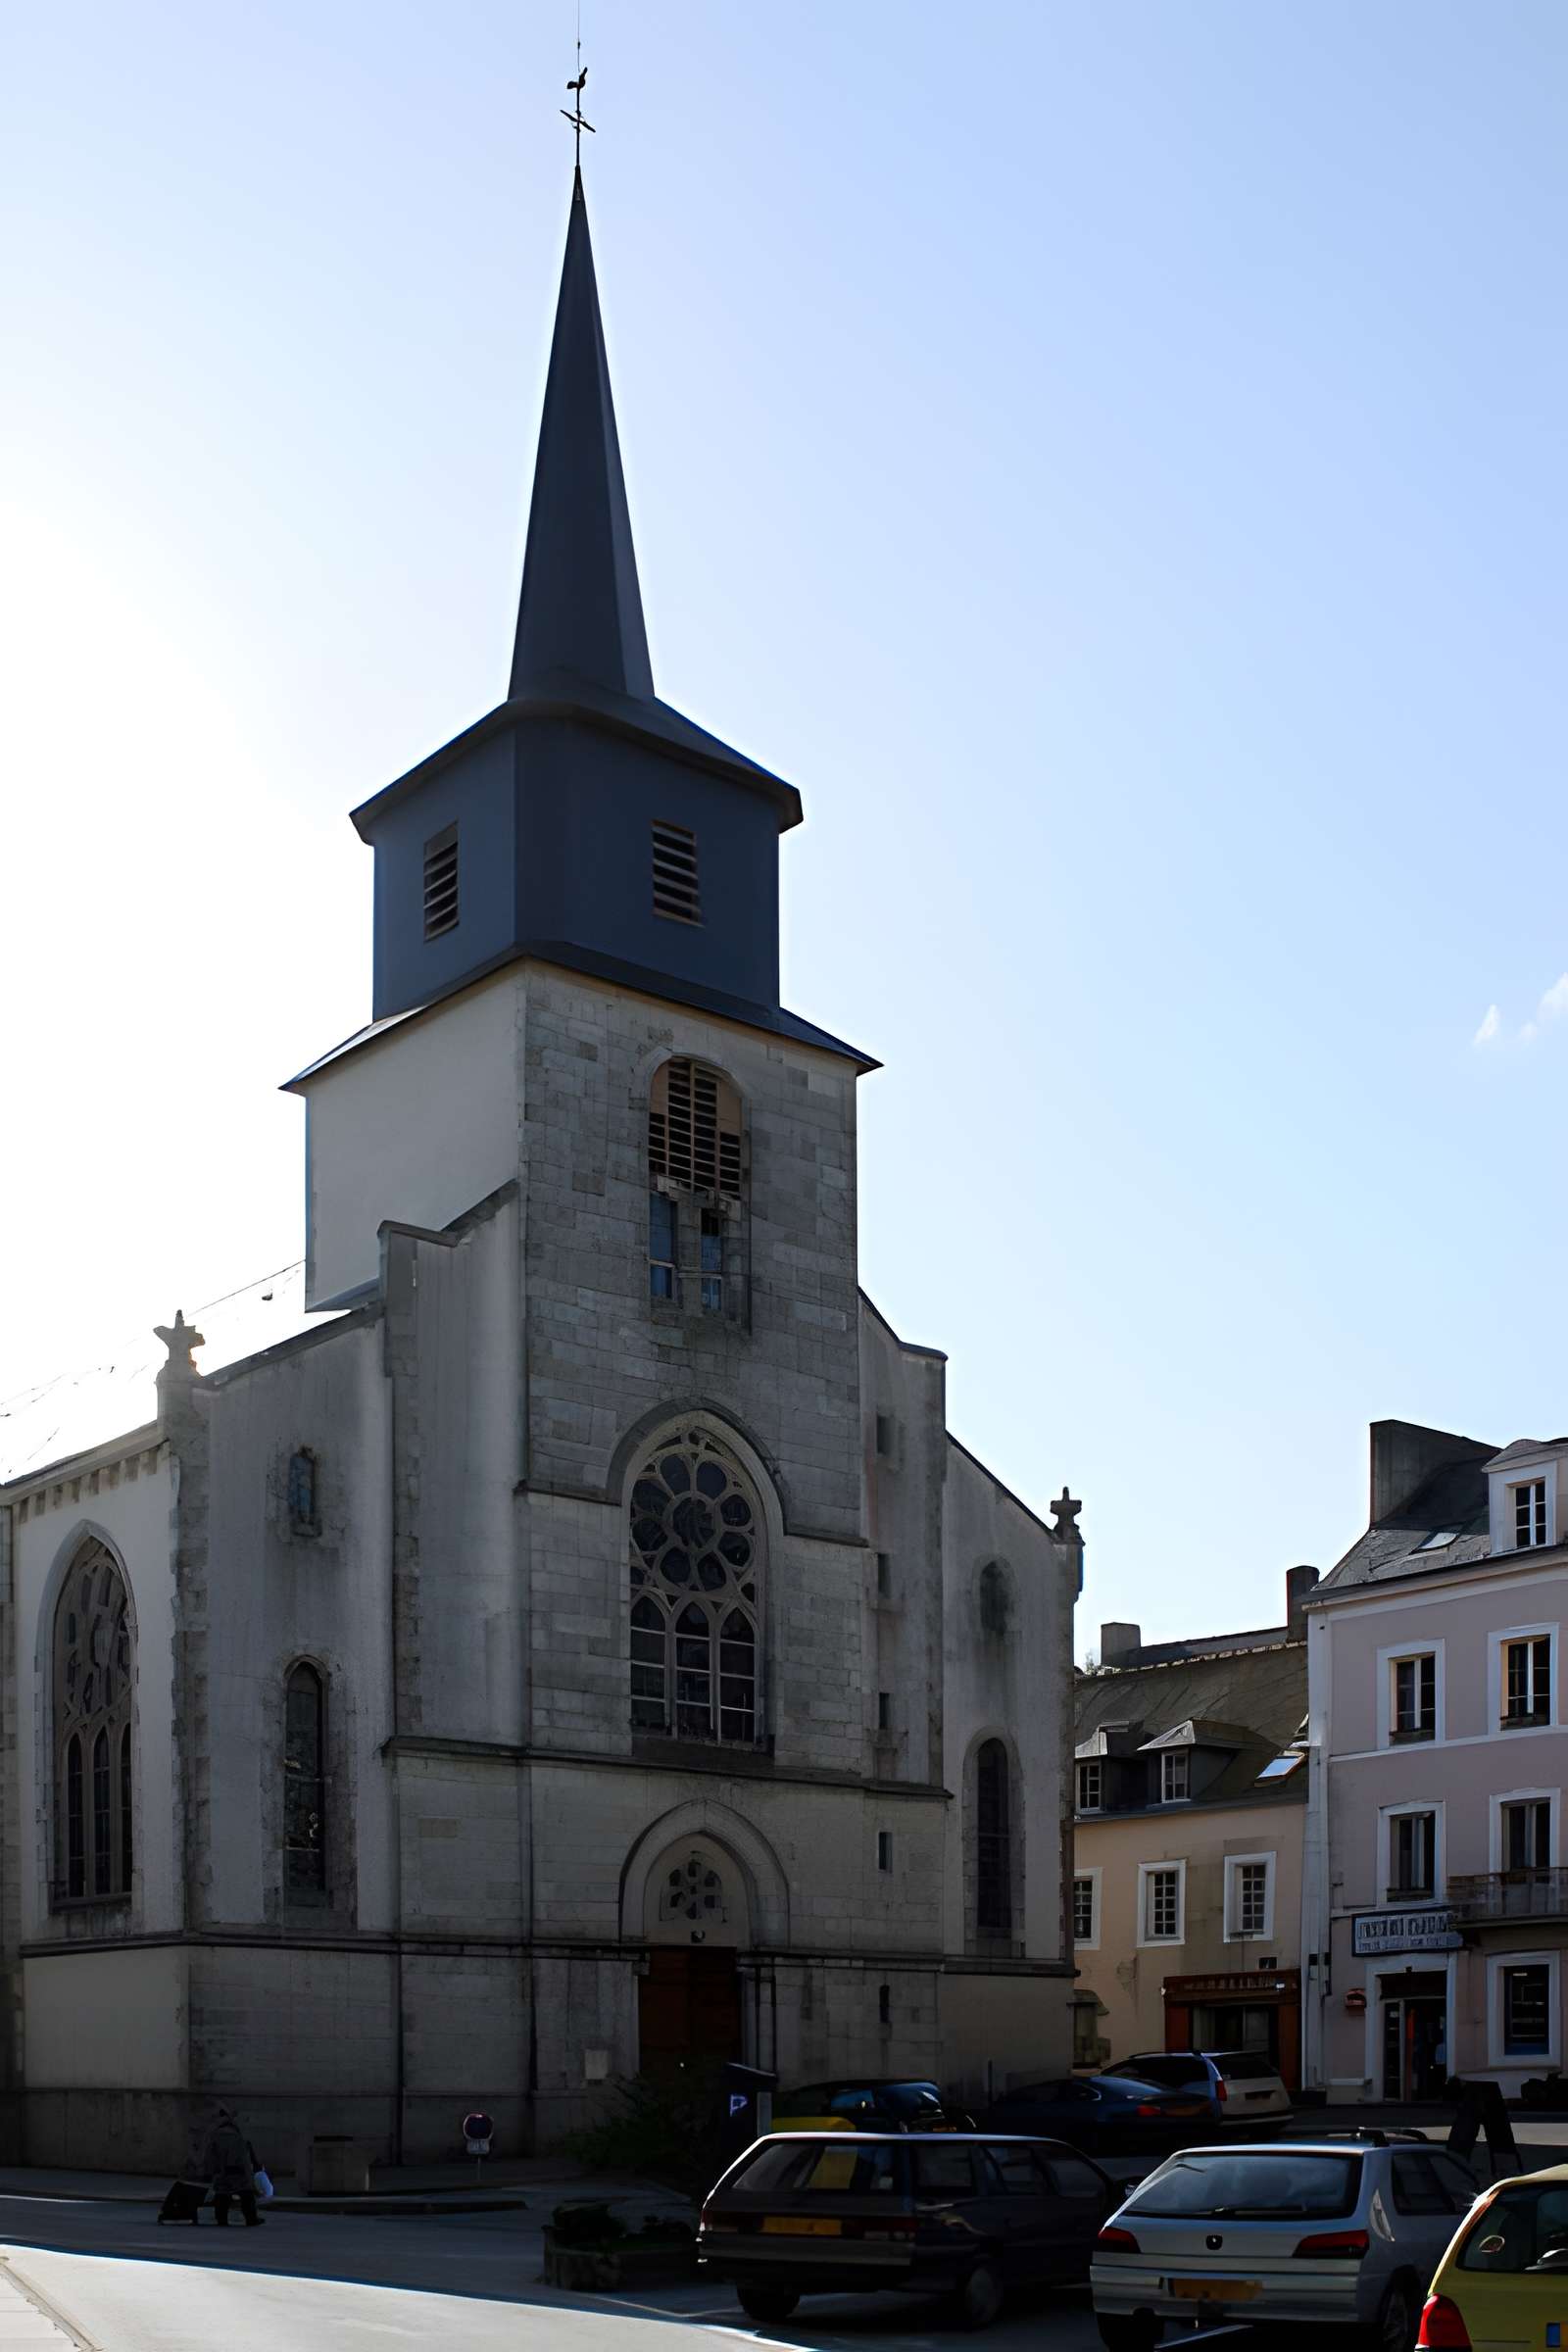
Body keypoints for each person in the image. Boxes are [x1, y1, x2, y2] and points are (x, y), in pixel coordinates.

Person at [200, 2105, 265, 2227]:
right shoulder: (236, 2134)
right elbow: (243, 2156)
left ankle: (222, 2219)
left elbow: (210, 2155)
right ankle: (251, 2219)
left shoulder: (215, 2133)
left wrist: (211, 2170)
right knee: (246, 2195)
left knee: (223, 2195)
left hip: (222, 2171)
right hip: (237, 2170)